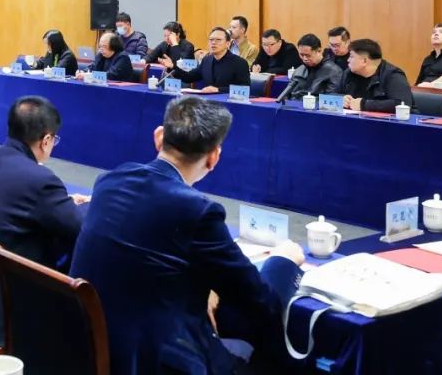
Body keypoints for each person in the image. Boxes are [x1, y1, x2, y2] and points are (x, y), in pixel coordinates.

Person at [70, 97, 304, 374]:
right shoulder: (198, 212)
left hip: (88, 349)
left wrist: (208, 287)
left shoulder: (109, 181)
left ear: (159, 137)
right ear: (214, 157)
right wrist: (283, 261)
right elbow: (259, 303)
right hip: (157, 361)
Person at [0, 96, 88, 346]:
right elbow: (80, 227)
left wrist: (61, 201)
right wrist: (86, 205)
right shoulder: (40, 180)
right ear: (46, 140)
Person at [159, 27, 249, 94]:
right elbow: (189, 77)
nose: (213, 42)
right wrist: (173, 66)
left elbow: (245, 88)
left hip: (230, 105)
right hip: (208, 105)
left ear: (227, 44)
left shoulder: (239, 63)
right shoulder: (207, 60)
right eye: (211, 40)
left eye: (218, 40)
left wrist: (218, 90)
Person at [338, 38, 413, 113]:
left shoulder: (393, 75)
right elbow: (334, 94)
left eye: (351, 56)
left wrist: (364, 104)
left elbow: (402, 104)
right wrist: (341, 99)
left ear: (364, 61)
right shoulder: (348, 73)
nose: (348, 60)